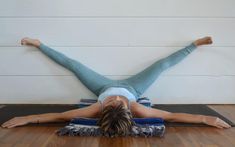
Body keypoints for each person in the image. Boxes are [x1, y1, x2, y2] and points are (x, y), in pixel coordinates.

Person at [1, 37, 231, 135]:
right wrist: (204, 119)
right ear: (128, 108)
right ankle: (195, 45)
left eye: (113, 102)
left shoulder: (96, 108)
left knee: (74, 65)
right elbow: (171, 116)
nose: (116, 99)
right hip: (134, 88)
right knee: (161, 67)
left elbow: (59, 116)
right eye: (115, 102)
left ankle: (38, 44)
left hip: (101, 86)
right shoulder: (137, 107)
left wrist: (28, 118)